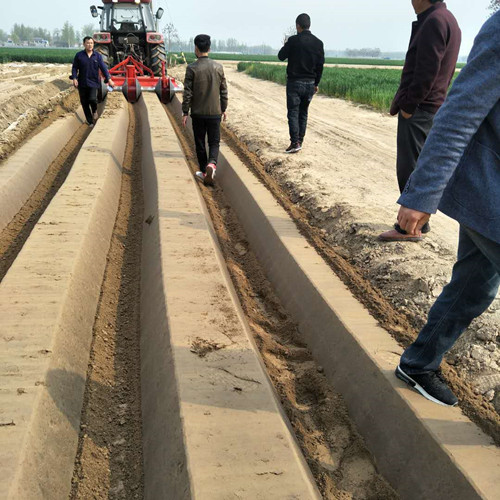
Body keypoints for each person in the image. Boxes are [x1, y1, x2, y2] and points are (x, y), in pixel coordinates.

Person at [394, 11, 500, 407]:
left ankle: (418, 363)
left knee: (475, 284)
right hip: (487, 189)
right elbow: (458, 114)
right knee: (475, 284)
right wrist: (421, 195)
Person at [379, 0, 461, 242]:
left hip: (421, 108)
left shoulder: (434, 21)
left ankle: (409, 228)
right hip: (431, 105)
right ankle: (416, 224)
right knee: (419, 164)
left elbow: (427, 70)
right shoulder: (446, 19)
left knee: (410, 166)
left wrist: (409, 106)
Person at [182, 34, 228, 186]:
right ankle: (212, 164)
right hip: (215, 113)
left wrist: (185, 112)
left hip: (198, 113)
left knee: (200, 142)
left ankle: (203, 171)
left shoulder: (191, 68)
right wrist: (223, 108)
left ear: (196, 48)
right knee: (214, 142)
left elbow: (187, 93)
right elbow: (223, 91)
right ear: (209, 48)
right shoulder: (218, 67)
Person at [278, 13, 324, 154]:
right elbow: (320, 66)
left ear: (298, 25)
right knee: (303, 112)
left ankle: (295, 142)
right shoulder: (318, 43)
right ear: (309, 25)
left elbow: (281, 56)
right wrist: (316, 83)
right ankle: (300, 141)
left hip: (295, 82)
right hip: (310, 83)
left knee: (293, 112)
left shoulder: (293, 41)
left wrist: (286, 44)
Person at [71, 37, 115, 127]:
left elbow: (103, 68)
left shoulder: (97, 56)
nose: (90, 45)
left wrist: (109, 79)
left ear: (93, 44)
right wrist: (74, 78)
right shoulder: (79, 55)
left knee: (92, 99)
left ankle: (94, 110)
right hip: (82, 82)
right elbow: (74, 68)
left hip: (94, 82)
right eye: (88, 43)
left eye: (91, 43)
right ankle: (90, 121)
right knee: (84, 102)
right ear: (84, 44)